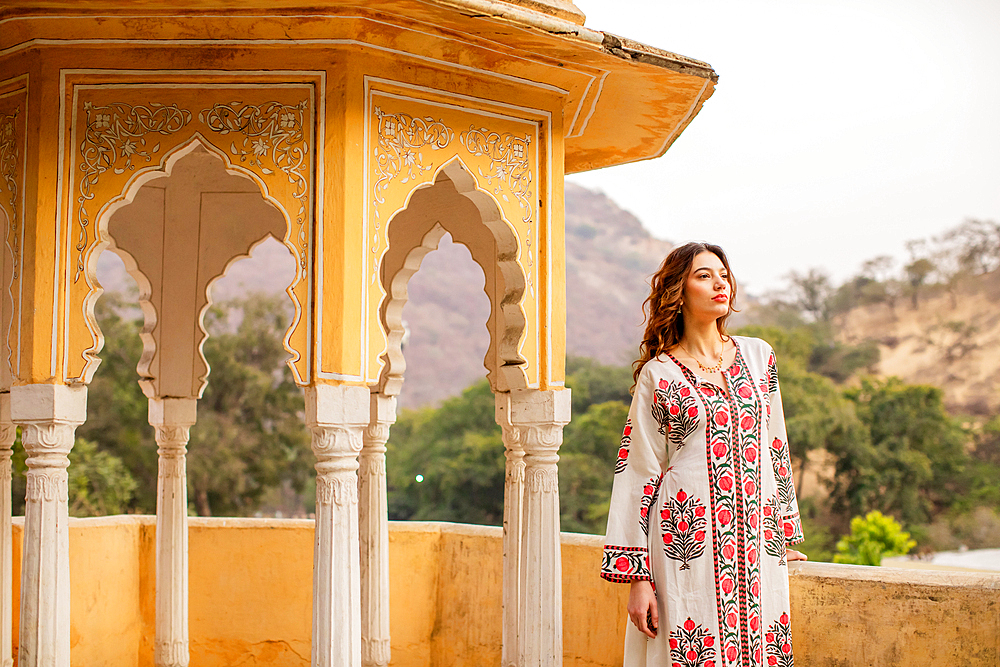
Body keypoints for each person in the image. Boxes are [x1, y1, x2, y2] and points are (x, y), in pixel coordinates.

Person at [601, 242, 806, 667]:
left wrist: (783, 533)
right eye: (704, 275)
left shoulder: (758, 356)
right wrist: (638, 580)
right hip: (685, 549)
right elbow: (638, 471)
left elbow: (775, 446)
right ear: (679, 290)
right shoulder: (659, 375)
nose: (719, 284)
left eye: (724, 275)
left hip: (757, 547)